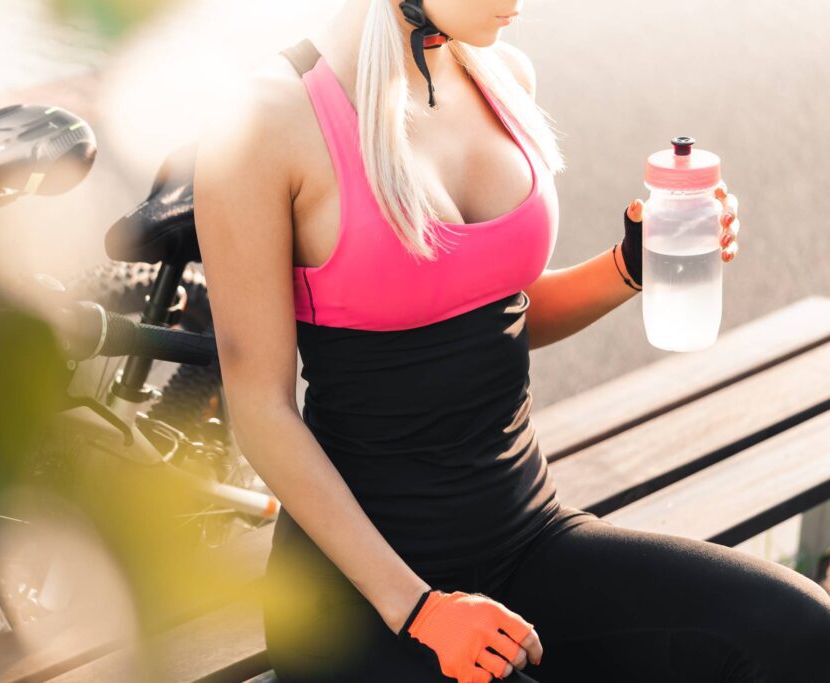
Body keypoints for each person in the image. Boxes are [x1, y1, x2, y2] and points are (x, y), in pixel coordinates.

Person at [193, 1, 828, 681]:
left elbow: (499, 310)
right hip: (360, 597)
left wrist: (629, 265)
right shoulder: (265, 123)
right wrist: (422, 610)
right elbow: (261, 408)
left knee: (798, 631)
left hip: (527, 535)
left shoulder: (501, 78)